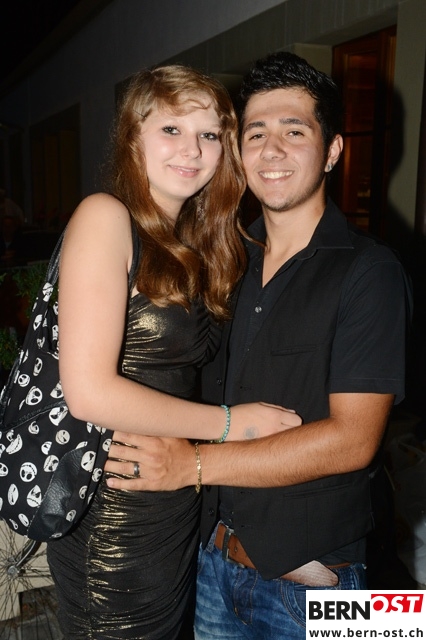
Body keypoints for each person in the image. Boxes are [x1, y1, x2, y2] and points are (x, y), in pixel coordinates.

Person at [105, 52, 413, 639]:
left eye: (294, 132)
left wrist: (191, 464)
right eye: (255, 133)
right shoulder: (223, 262)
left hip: (318, 587)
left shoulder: (370, 271)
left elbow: (354, 440)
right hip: (210, 570)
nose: (272, 150)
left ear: (332, 150)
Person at [46, 64, 301, 640]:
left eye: (209, 134)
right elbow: (88, 392)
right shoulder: (105, 216)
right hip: (118, 507)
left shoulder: (195, 239)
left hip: (174, 494)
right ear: (133, 137)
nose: (193, 149)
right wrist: (233, 425)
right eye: (171, 129)